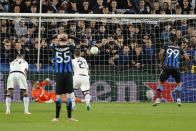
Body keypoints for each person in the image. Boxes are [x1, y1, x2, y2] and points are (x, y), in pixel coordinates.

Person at [153, 35, 189, 107]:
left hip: (166, 67)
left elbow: (160, 53)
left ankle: (157, 99)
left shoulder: (166, 46)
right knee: (179, 84)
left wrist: (161, 62)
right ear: (175, 41)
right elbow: (187, 58)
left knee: (160, 82)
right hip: (176, 68)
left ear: (169, 40)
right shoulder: (179, 48)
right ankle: (178, 100)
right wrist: (185, 66)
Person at [51, 33, 78, 122]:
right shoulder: (70, 47)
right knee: (69, 96)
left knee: (58, 96)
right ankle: (69, 117)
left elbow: (47, 40)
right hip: (68, 74)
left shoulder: (54, 48)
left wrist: (56, 36)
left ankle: (56, 118)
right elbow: (77, 40)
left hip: (59, 74)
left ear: (59, 41)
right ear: (66, 40)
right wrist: (68, 36)